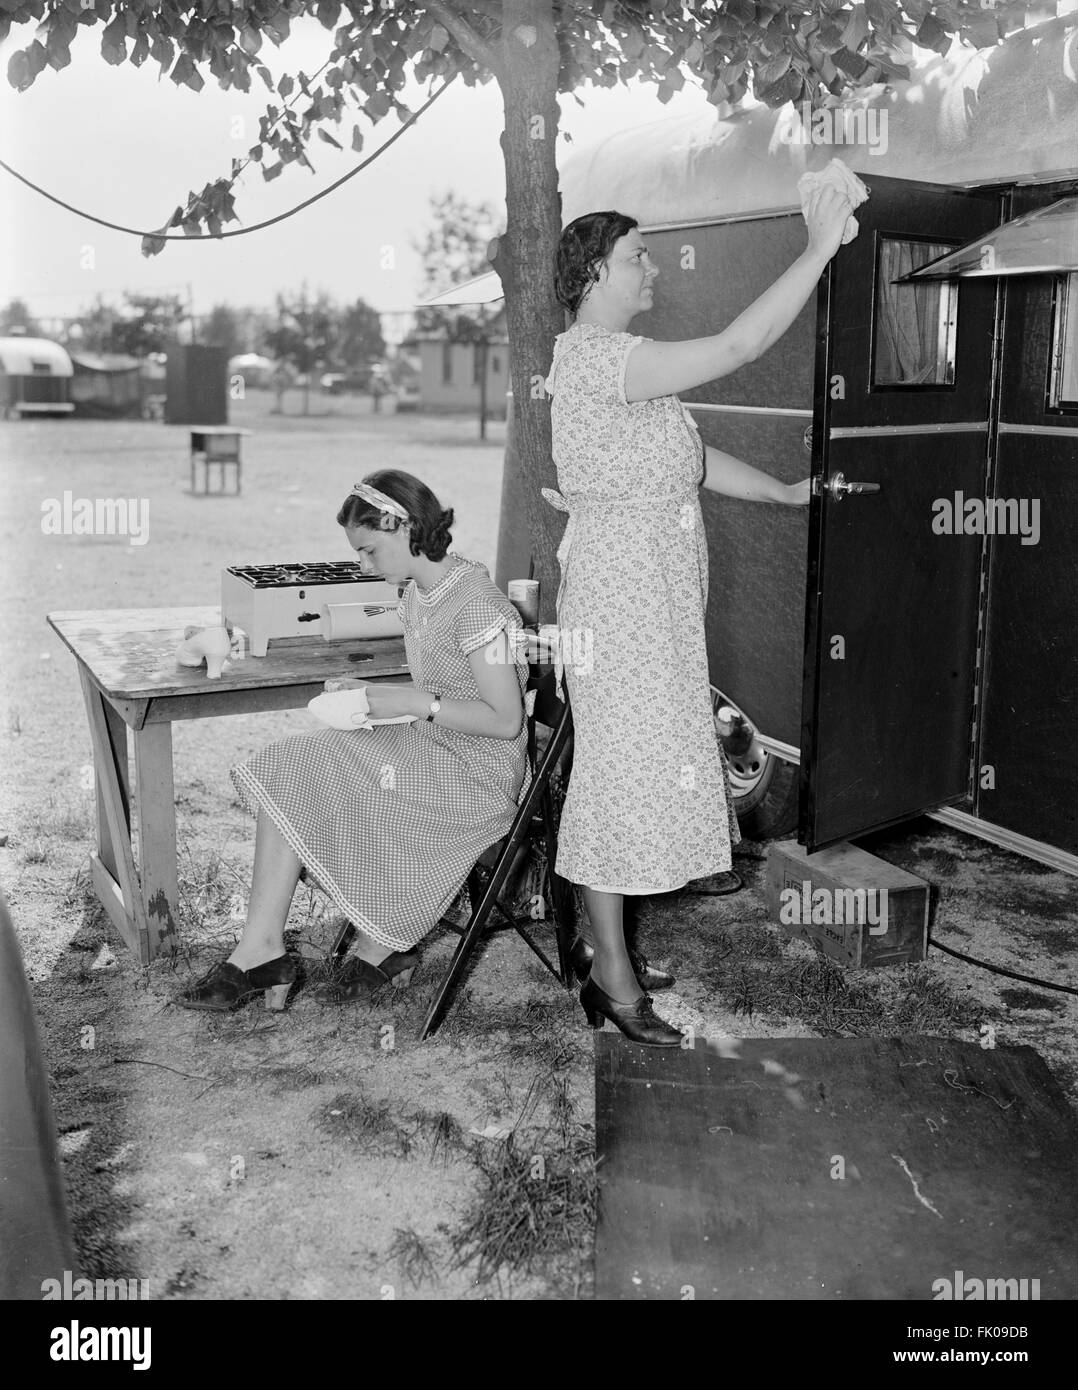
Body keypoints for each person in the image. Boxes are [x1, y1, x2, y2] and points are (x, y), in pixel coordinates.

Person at [545, 189, 852, 1045]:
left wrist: (786, 492)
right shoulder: (603, 359)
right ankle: (611, 977)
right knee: (617, 783)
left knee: (637, 773)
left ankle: (600, 946)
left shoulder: (616, 365)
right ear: (596, 272)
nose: (651, 270)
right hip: (622, 607)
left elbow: (693, 457)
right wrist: (818, 248)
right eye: (639, 257)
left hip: (654, 605)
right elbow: (741, 343)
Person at [178, 470, 528, 1012]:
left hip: (475, 772)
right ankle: (261, 948)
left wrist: (412, 703)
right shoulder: (422, 591)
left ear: (402, 526)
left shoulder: (479, 606)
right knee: (293, 763)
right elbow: (442, 685)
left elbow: (506, 721)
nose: (364, 566)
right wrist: (372, 692)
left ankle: (380, 944)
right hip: (433, 742)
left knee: (317, 765)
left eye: (368, 551)